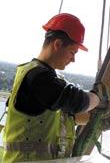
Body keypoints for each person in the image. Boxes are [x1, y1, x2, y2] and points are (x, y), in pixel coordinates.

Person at [2, 13, 104, 162]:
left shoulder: (42, 77)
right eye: (73, 52)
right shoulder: (38, 77)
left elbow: (61, 118)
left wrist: (94, 120)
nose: (73, 59)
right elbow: (77, 101)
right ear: (57, 44)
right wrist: (97, 97)